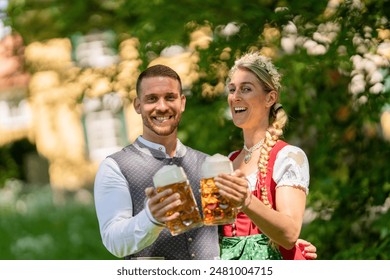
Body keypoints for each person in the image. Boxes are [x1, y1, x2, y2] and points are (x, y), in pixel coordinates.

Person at [94, 63, 317, 260]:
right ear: (137, 105)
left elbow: (225, 229)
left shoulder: (209, 164)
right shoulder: (115, 167)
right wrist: (150, 218)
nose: (162, 106)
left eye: (170, 97)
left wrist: (287, 245)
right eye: (152, 99)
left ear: (182, 103)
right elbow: (114, 241)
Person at [214, 52, 311, 259]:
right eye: (232, 90)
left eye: (246, 89)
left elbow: (289, 233)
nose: (235, 96)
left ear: (270, 97)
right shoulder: (229, 161)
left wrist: (246, 200)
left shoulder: (288, 156)